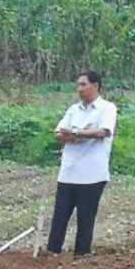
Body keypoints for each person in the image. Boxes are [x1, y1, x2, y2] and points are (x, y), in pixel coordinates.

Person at [47, 70, 116, 257]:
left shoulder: (107, 108)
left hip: (92, 174)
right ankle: (52, 253)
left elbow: (103, 132)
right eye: (78, 85)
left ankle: (81, 255)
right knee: (60, 216)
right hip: (68, 171)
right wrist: (78, 134)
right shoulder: (73, 110)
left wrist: (76, 133)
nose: (80, 89)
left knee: (85, 218)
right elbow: (58, 133)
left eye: (83, 85)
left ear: (95, 86)